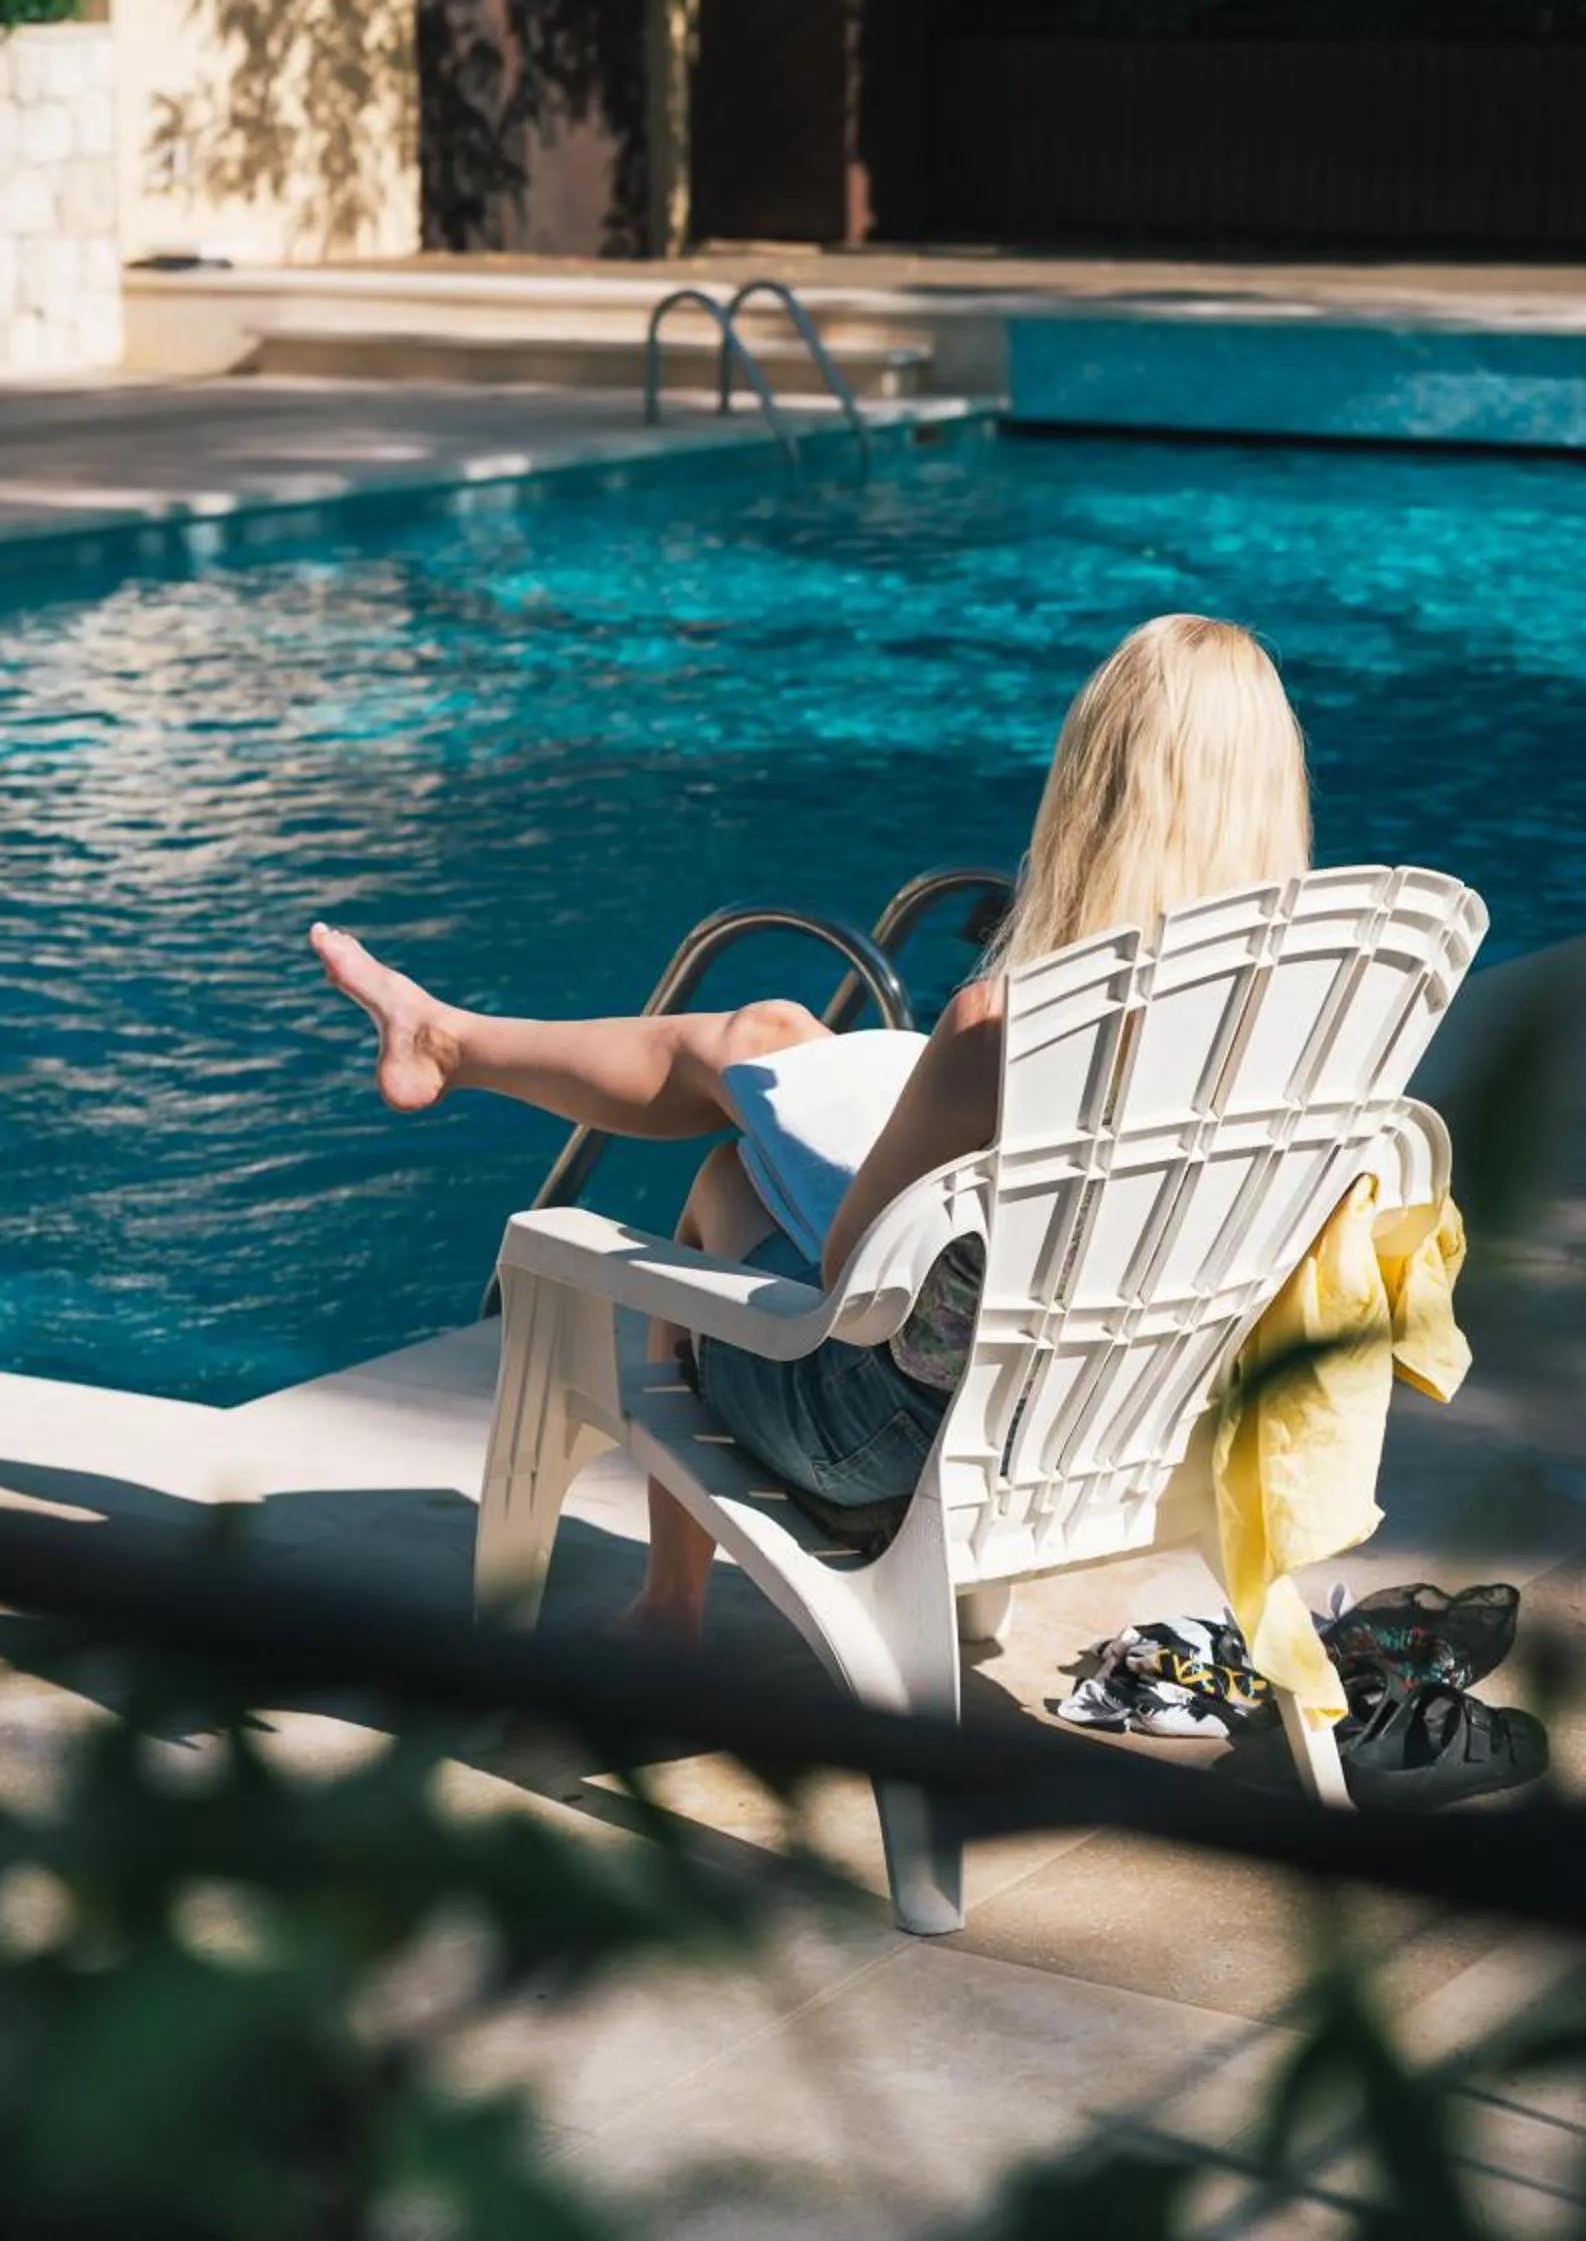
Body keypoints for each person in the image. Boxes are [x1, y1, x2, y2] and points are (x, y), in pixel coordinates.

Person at [310, 613, 1312, 1640]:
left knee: (728, 1177)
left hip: (889, 1446)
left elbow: (852, 1275)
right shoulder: (1309, 1025)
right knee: (769, 1035)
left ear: (1093, 794)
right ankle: (449, 1041)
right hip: (1146, 1420)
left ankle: (669, 1608)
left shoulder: (1007, 1030)